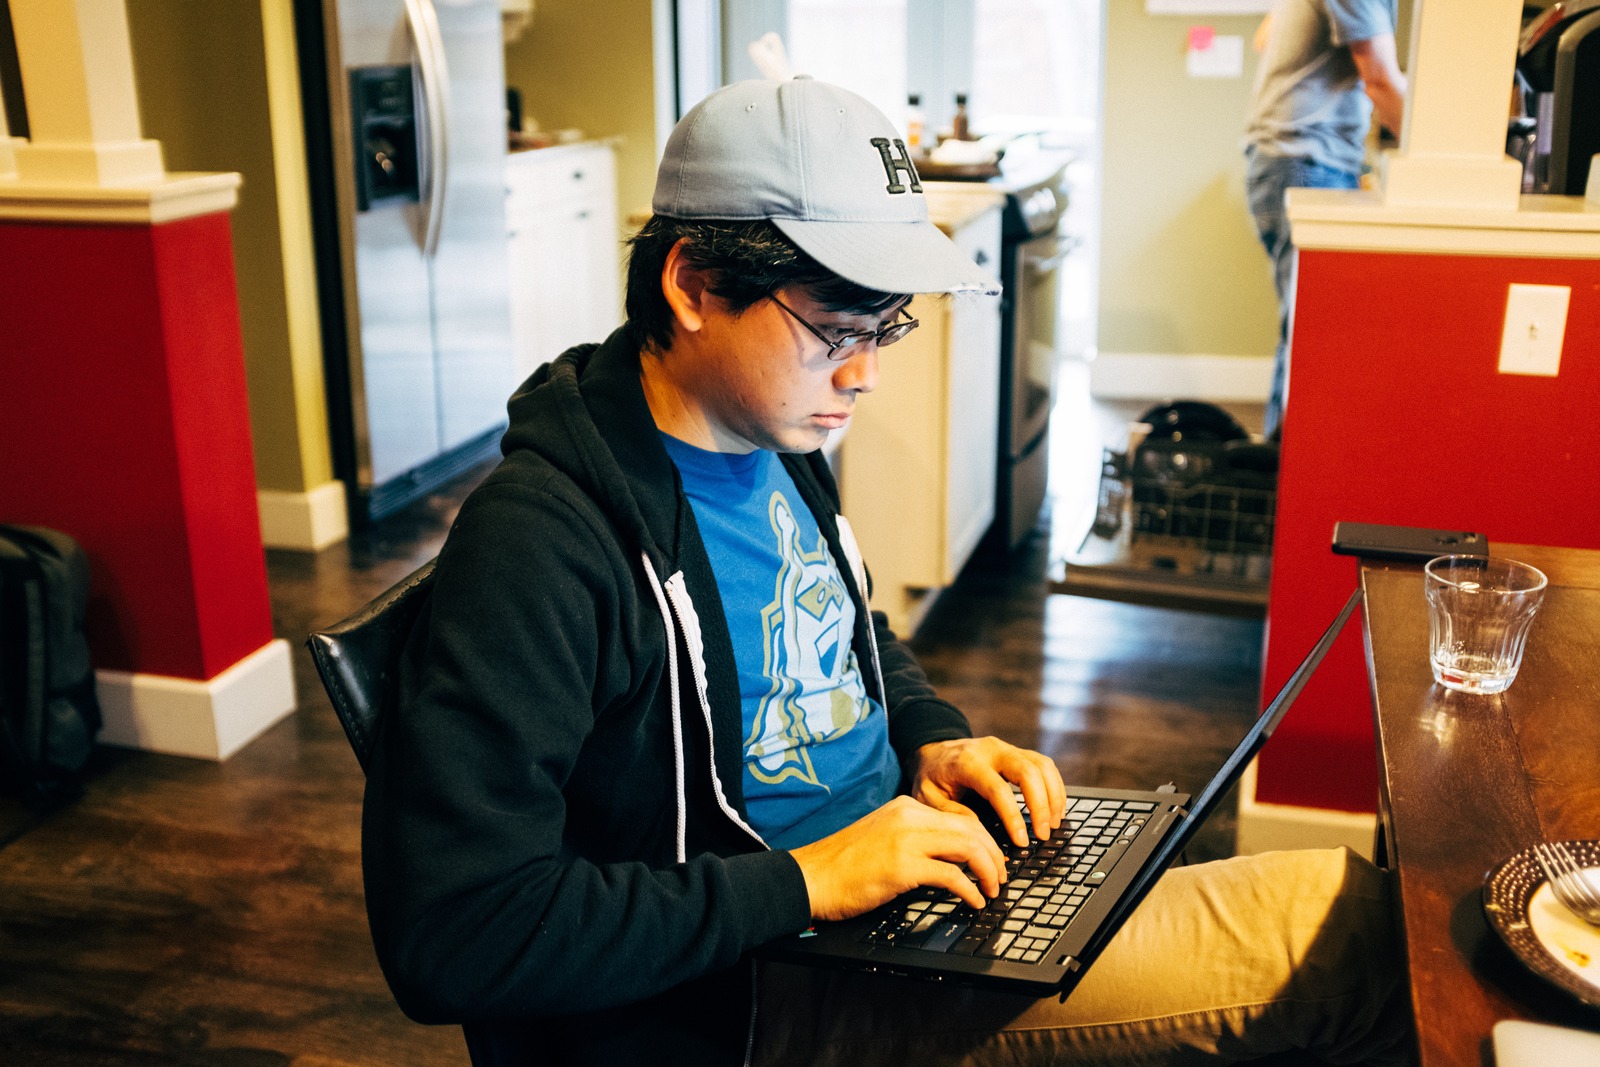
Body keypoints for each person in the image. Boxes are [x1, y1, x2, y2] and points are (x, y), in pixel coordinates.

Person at [362, 76, 1409, 1066]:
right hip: (760, 993)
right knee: (1355, 941)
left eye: (885, 326)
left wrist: (928, 735)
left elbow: (845, 631)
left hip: (888, 905)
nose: (864, 372)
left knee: (1343, 909)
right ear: (690, 282)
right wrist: (811, 879)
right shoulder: (543, 542)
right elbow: (455, 930)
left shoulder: (771, 437)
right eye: (834, 327)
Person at [1243, 0, 1407, 438]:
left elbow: (1266, 37)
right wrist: (1437, 152)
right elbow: (1380, 80)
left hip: (1283, 160)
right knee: (1309, 339)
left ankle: (1282, 480)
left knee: (1300, 331)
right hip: (1306, 162)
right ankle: (1285, 483)